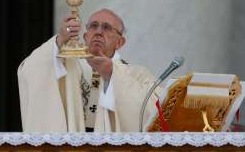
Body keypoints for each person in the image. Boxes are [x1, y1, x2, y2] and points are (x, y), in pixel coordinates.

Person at [17, 9, 161, 132]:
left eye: (106, 27)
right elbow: (29, 70)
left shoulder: (137, 75)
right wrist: (59, 40)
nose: (98, 32)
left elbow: (154, 111)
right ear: (85, 37)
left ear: (119, 42)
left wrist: (111, 75)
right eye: (93, 26)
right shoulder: (67, 65)